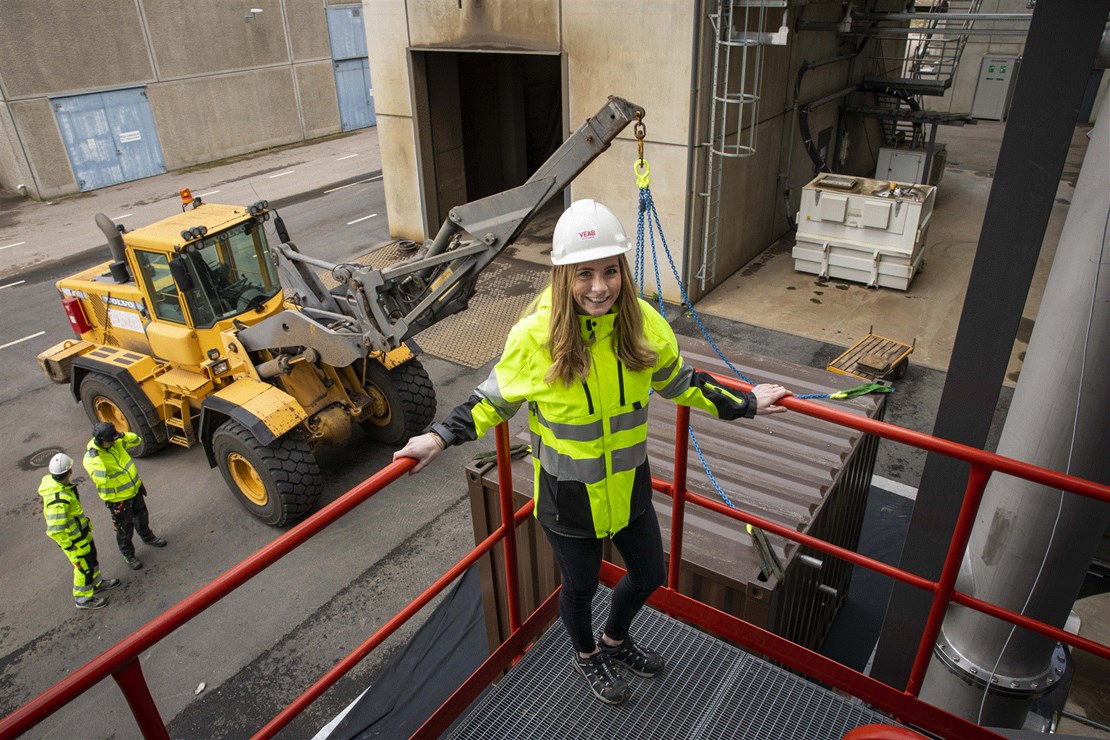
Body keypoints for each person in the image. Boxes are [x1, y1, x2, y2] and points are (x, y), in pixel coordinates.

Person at [394, 199, 792, 705]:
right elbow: (488, 402)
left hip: (629, 488)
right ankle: (587, 657)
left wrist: (747, 403)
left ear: (622, 271)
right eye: (584, 273)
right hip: (567, 498)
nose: (599, 286)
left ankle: (615, 640)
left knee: (650, 575)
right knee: (579, 589)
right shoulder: (536, 338)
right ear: (564, 275)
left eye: (610, 271)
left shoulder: (642, 324)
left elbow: (682, 383)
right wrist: (437, 437)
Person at [38, 453, 121, 610]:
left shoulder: (61, 487)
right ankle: (82, 599)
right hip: (75, 542)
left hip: (82, 536)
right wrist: (69, 546)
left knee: (92, 561)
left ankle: (96, 584)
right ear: (69, 471)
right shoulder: (58, 499)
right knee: (83, 570)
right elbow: (55, 530)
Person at [82, 421, 167, 570]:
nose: (114, 443)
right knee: (124, 529)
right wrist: (97, 459)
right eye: (110, 441)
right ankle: (128, 554)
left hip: (134, 491)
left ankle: (148, 537)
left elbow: (137, 440)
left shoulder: (115, 443)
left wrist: (122, 435)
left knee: (142, 517)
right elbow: (100, 478)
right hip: (119, 500)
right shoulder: (91, 459)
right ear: (100, 442)